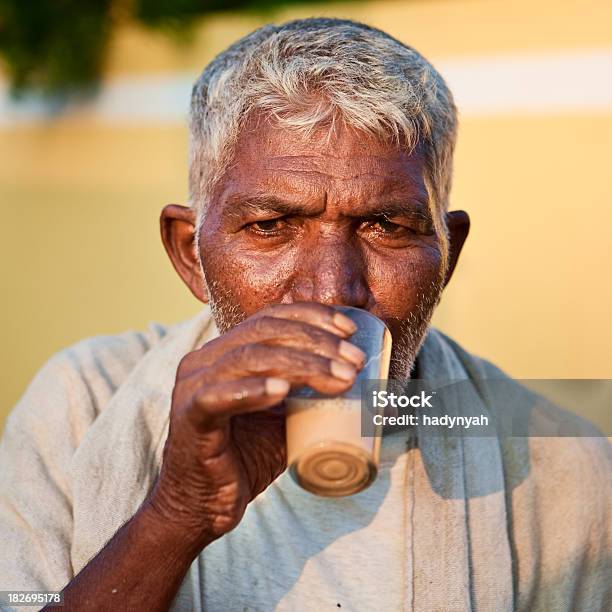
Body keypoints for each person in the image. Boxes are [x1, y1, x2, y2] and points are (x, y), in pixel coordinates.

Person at [0, 18, 609, 612]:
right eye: (270, 226)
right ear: (191, 256)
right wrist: (176, 516)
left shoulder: (565, 472)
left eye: (385, 226)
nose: (331, 289)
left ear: (447, 259)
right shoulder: (83, 404)